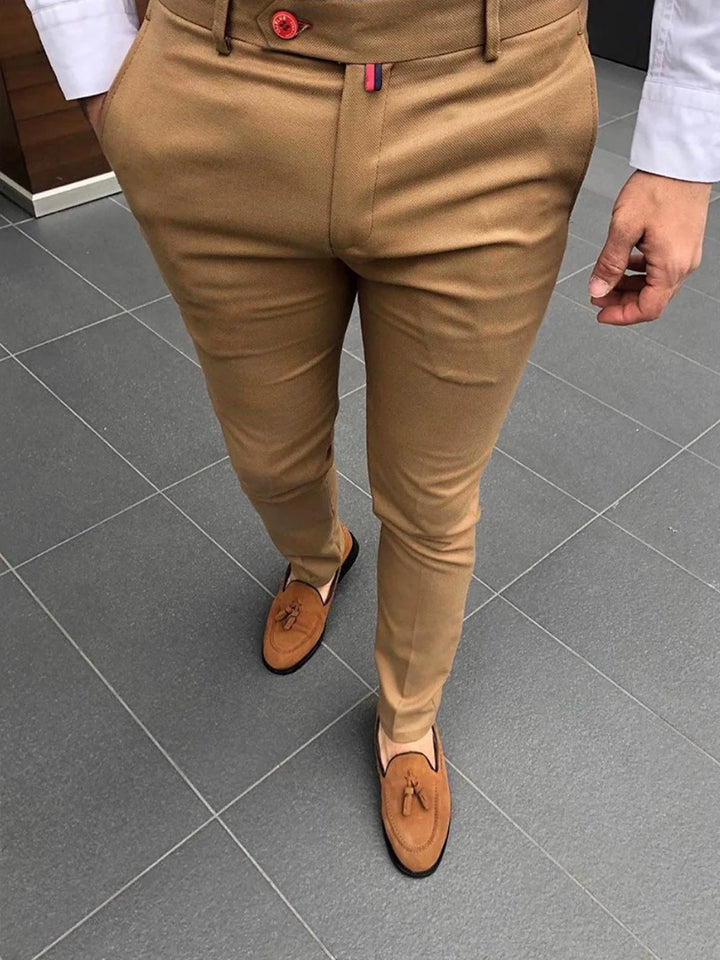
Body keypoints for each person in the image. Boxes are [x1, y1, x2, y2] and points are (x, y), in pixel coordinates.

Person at [25, 0, 719, 877]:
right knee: (267, 451)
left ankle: (409, 718)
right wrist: (96, 64)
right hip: (219, 88)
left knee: (431, 491)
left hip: (488, 107)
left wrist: (687, 140)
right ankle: (318, 557)